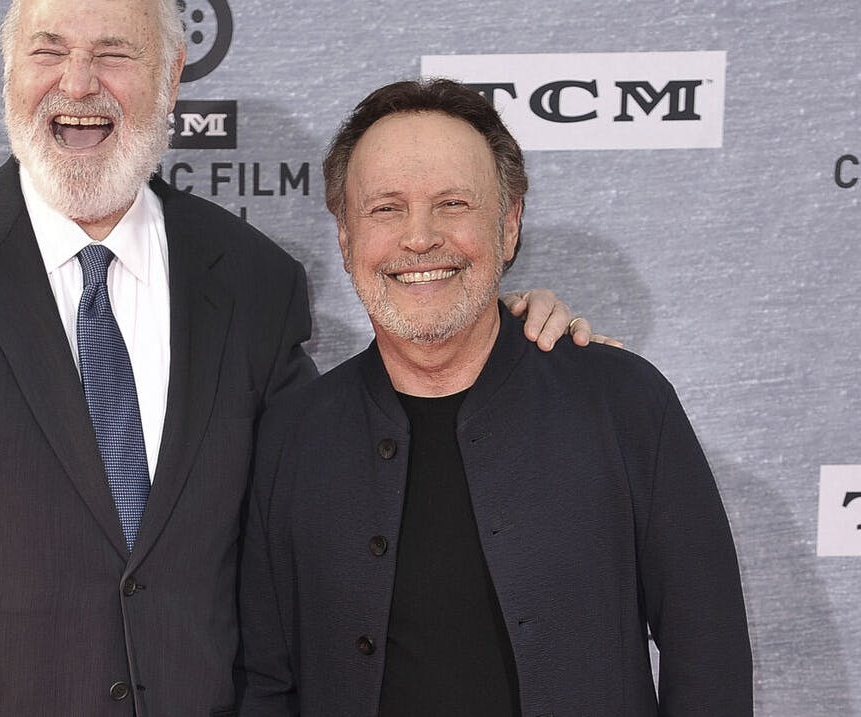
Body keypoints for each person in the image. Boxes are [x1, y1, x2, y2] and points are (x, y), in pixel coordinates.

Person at [0, 1, 592, 713]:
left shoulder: (253, 280)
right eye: (48, 50)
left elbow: (340, 463)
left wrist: (504, 339)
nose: (77, 83)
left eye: (114, 53)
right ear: (9, 71)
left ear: (170, 77)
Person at [239, 78, 752, 716]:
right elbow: (266, 683)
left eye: (453, 204)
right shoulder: (292, 438)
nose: (419, 238)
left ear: (508, 227)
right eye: (386, 209)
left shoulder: (624, 404)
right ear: (345, 239)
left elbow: (709, 657)